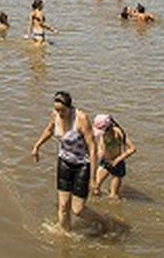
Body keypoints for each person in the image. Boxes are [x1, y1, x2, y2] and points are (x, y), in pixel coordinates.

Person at [30, 91, 104, 233]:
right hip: (64, 162)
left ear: (69, 107)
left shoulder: (81, 119)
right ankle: (65, 238)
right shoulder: (55, 115)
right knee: (63, 206)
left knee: (78, 209)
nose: (59, 113)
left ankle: (104, 220)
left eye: (62, 110)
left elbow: (93, 148)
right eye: (57, 110)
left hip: (82, 164)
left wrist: (93, 178)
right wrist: (37, 146)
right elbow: (49, 130)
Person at [91, 114, 136, 199]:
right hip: (105, 161)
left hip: (117, 163)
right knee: (95, 188)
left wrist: (118, 159)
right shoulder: (103, 133)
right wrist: (99, 153)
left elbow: (132, 149)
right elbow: (102, 144)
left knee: (113, 196)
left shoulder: (118, 133)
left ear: (109, 127)